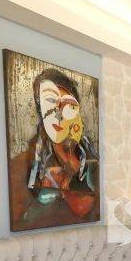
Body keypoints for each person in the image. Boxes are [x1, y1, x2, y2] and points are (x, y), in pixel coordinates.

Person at [9, 68, 99, 230]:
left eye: (67, 106)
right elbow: (20, 217)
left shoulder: (93, 162)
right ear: (41, 112)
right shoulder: (23, 165)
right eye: (50, 103)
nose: (58, 115)